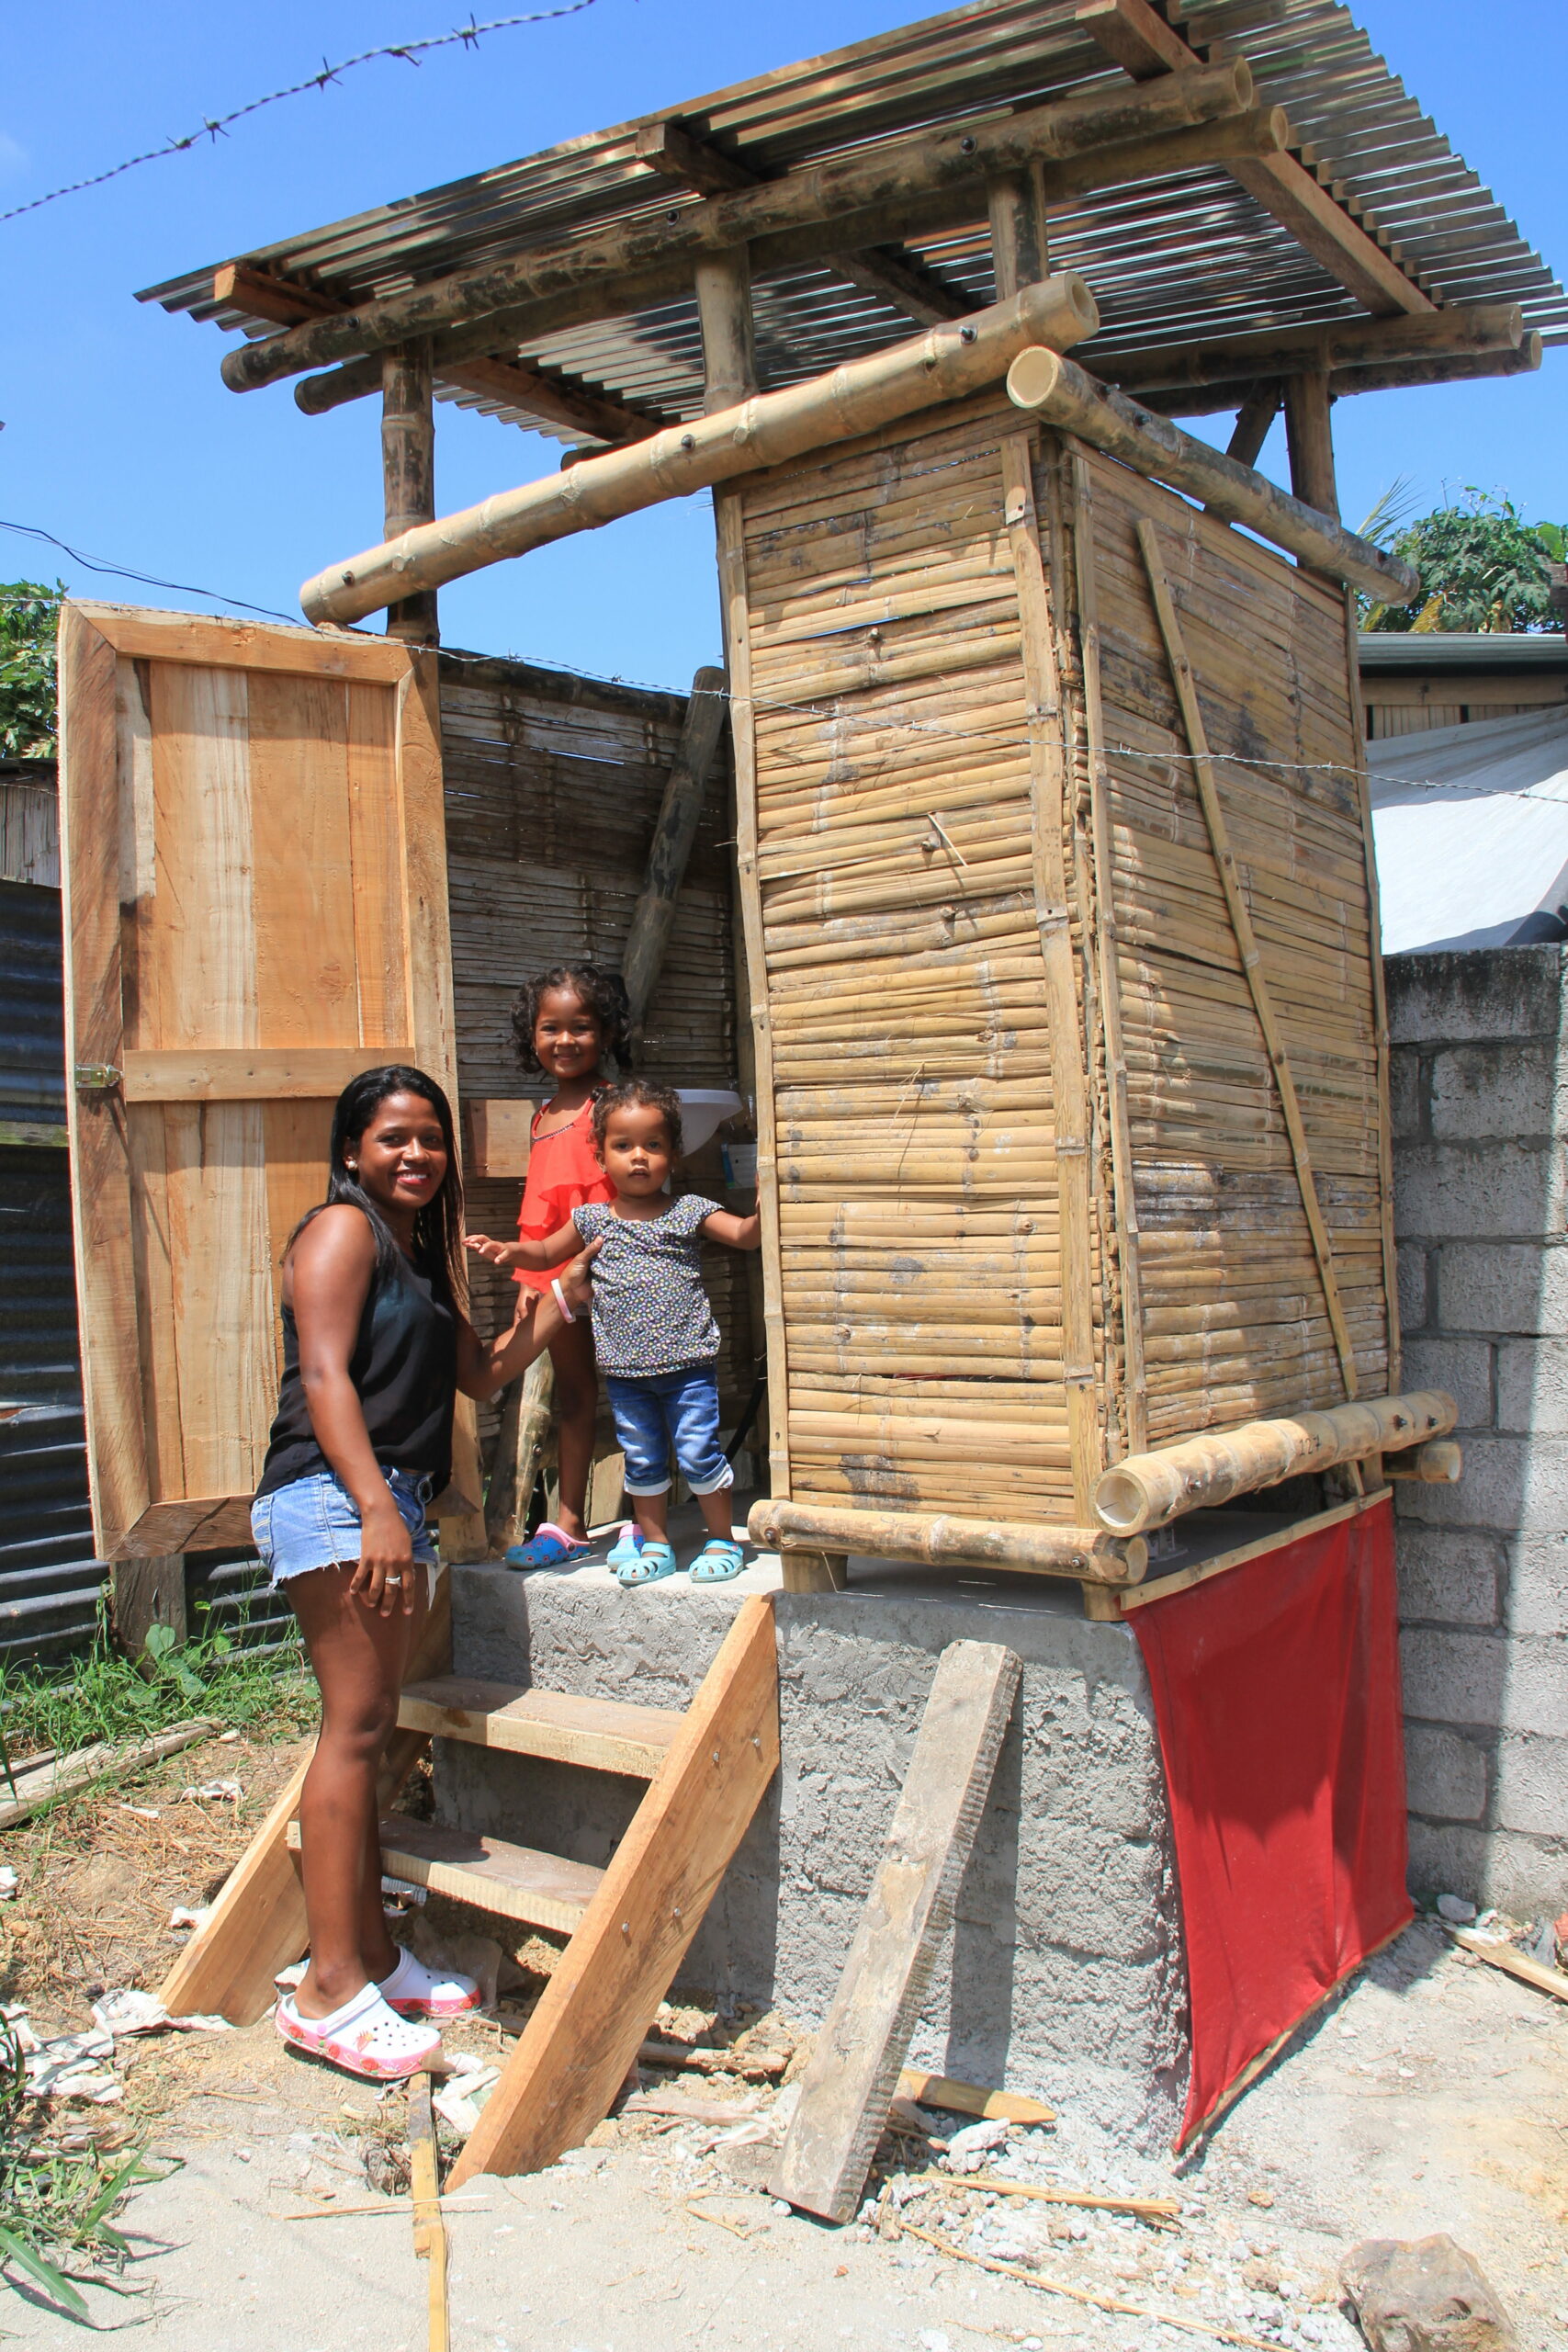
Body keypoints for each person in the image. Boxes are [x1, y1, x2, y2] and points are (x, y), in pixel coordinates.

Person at [251, 1064, 597, 2081]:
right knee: (353, 1732)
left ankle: (374, 1960)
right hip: (334, 1494)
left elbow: (484, 1372)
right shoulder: (341, 1232)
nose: (416, 1154)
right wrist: (371, 1510)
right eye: (393, 1137)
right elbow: (322, 1375)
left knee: (366, 1729)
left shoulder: (415, 1257)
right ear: (353, 1149)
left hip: (382, 1500)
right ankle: (326, 1993)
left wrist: (561, 1295)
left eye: (430, 1139)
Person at [468, 1080, 760, 1588]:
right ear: (601, 1158)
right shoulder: (590, 1219)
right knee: (642, 1459)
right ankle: (657, 1544)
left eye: (654, 1145)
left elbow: (745, 1236)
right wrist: (512, 1250)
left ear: (675, 1152)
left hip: (688, 1367)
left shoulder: (689, 1210)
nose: (639, 1157)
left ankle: (722, 1540)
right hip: (626, 1375)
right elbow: (544, 1253)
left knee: (698, 1452)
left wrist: (768, 1197)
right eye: (623, 1146)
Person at [499, 964, 626, 1569]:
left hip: (618, 1276)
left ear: (604, 1034)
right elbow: (540, 1210)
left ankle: (651, 1519)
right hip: (562, 1279)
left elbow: (630, 1194)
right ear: (532, 1036)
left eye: (581, 1027)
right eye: (551, 1028)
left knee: (644, 1387)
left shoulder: (611, 1108)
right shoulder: (543, 1114)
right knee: (575, 1396)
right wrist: (531, 1283)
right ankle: (570, 1521)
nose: (565, 1041)